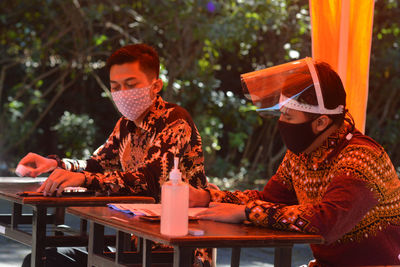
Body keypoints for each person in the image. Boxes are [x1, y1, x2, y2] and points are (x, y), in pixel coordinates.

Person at [190, 58, 400, 266]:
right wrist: (209, 197)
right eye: (281, 115)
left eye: (289, 117)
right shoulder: (302, 154)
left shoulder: (361, 158)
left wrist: (248, 212)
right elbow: (270, 199)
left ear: (321, 122)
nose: (281, 123)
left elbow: (325, 221)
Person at [18, 43, 212, 266]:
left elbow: (151, 181)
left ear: (156, 85)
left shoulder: (174, 120)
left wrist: (83, 179)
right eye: (116, 87)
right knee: (40, 259)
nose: (122, 93)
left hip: (176, 250)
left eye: (131, 85)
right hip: (134, 246)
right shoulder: (125, 125)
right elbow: (98, 165)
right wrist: (56, 164)